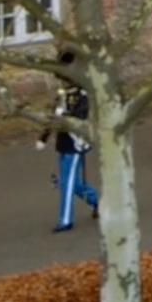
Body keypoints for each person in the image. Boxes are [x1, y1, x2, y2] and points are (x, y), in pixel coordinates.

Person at [40, 49, 98, 233]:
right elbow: (52, 118)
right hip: (64, 140)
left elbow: (80, 116)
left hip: (76, 140)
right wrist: (44, 136)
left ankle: (65, 219)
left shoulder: (82, 95)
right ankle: (98, 201)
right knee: (70, 180)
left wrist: (63, 116)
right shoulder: (62, 95)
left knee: (67, 182)